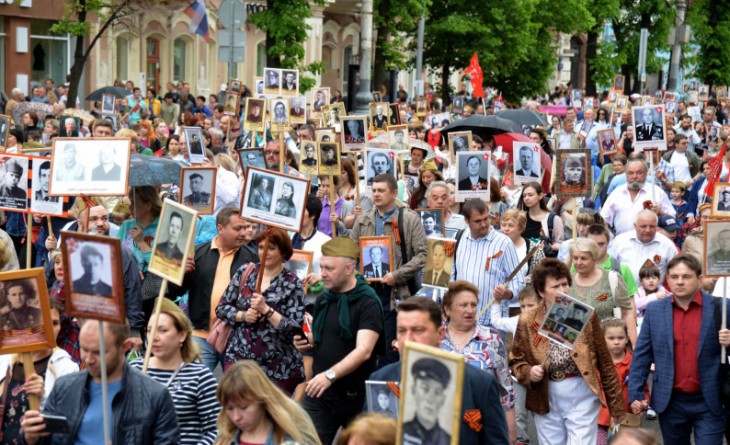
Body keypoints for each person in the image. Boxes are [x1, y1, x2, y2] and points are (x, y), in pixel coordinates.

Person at [510, 259, 626, 445]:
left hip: (580, 389)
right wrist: (529, 372)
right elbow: (516, 361)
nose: (563, 290)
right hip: (545, 393)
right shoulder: (527, 320)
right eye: (555, 286)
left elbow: (605, 362)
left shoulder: (584, 315)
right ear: (541, 291)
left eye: (565, 284)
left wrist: (617, 406)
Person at [369, 297, 510, 444]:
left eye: (418, 330)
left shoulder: (479, 384)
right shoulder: (380, 379)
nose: (408, 339)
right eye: (402, 331)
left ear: (441, 334)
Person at [20, 320, 180, 444]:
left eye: (98, 352)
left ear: (125, 347)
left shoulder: (154, 396)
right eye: (84, 349)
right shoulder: (64, 387)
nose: (88, 359)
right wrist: (31, 439)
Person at [629, 254, 730, 444]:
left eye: (686, 277)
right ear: (667, 279)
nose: (680, 282)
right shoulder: (655, 311)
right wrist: (636, 393)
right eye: (674, 277)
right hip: (670, 401)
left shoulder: (722, 307)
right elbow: (642, 355)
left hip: (710, 399)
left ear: (699, 279)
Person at [293, 237, 384, 445]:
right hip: (319, 393)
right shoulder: (326, 297)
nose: (322, 273)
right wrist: (306, 341)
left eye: (329, 268)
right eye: (322, 266)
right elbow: (323, 337)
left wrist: (330, 375)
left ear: (349, 268)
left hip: (354, 397)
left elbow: (364, 350)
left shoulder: (367, 301)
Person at [168, 207, 258, 373]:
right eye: (238, 228)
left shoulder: (251, 257)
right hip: (201, 335)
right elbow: (174, 291)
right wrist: (178, 272)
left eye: (245, 228)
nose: (244, 233)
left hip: (235, 337)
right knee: (194, 387)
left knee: (237, 393)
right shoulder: (197, 253)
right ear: (220, 228)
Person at [215, 229, 304, 393]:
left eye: (271, 248)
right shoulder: (246, 272)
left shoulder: (292, 283)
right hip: (240, 359)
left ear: (283, 251)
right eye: (261, 247)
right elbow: (221, 308)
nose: (264, 252)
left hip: (277, 367)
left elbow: (294, 329)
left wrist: (267, 310)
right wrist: (242, 316)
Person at [351, 174, 427, 364]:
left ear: (394, 193)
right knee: (366, 348)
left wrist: (397, 275)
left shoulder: (409, 219)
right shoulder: (362, 220)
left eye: (381, 191)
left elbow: (423, 255)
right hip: (367, 293)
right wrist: (357, 277)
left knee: (392, 349)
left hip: (395, 293)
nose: (376, 195)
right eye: (374, 190)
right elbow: (350, 255)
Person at [130, 298, 219, 445]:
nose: (154, 337)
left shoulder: (200, 376)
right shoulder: (134, 371)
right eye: (149, 330)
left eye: (163, 330)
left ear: (182, 335)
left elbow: (218, 430)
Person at [440, 281, 516, 441]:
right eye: (463, 305)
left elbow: (505, 392)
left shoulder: (492, 338)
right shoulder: (434, 338)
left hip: (483, 428)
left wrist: (511, 436)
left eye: (473, 305)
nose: (470, 310)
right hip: (441, 428)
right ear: (447, 309)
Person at [0, 302, 79, 441]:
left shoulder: (66, 367)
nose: (50, 330)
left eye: (55, 323)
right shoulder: (5, 360)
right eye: (43, 323)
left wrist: (43, 396)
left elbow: (67, 423)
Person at [452, 199, 525, 326]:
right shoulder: (457, 238)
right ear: (467, 221)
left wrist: (508, 293)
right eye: (478, 221)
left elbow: (518, 280)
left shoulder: (504, 243)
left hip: (492, 322)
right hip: (462, 318)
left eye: (486, 218)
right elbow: (450, 275)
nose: (484, 224)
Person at [214, 360, 322, 445]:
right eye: (229, 409)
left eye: (243, 407)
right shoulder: (224, 440)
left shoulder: (292, 438)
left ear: (262, 400)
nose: (236, 417)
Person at [600, 160, 675, 235]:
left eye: (639, 173)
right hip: (622, 242)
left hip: (649, 242)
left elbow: (672, 218)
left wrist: (660, 212)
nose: (634, 176)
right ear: (626, 175)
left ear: (646, 174)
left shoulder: (656, 192)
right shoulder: (616, 193)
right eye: (631, 173)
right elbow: (603, 219)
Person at [609, 210, 679, 284]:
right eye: (643, 226)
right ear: (635, 226)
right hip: (624, 293)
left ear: (657, 227)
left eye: (652, 226)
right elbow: (607, 267)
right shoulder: (619, 241)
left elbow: (677, 271)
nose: (648, 230)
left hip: (655, 294)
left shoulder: (667, 245)